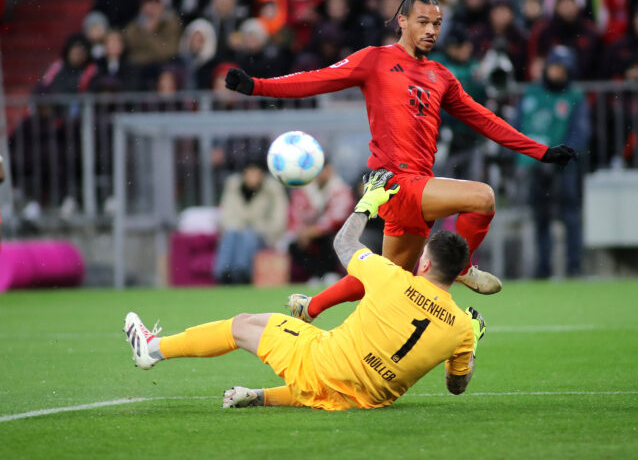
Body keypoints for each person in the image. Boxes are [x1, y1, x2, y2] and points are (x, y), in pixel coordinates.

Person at [223, 0, 576, 322]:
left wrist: (540, 151)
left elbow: (484, 119)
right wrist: (256, 85)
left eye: (436, 23)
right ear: (401, 21)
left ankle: (310, 307)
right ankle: (462, 265)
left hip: (419, 185)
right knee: (482, 197)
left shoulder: (441, 76)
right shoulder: (375, 60)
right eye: (422, 22)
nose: (431, 30)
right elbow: (317, 79)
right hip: (393, 182)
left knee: (388, 281)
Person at [123, 170, 486, 411]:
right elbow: (456, 387)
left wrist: (369, 203)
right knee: (334, 381)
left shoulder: (392, 276)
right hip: (364, 400)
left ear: (423, 263)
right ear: (456, 275)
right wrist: (471, 343)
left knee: (244, 325)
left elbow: (344, 244)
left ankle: (152, 349)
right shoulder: (460, 328)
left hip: (323, 365)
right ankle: (260, 397)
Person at [516, 47, 589, 278]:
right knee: (541, 217)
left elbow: (580, 134)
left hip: (564, 168)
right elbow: (515, 127)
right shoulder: (531, 94)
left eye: (562, 68)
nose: (557, 73)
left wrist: (559, 157)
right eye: (554, 67)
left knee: (570, 215)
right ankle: (543, 268)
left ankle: (574, 267)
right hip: (534, 166)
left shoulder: (575, 97)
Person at [214, 161, 288, 284]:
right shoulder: (233, 187)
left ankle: (242, 273)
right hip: (237, 232)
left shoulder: (272, 189)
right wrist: (238, 227)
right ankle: (223, 274)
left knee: (248, 235)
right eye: (249, 172)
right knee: (231, 234)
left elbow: (279, 220)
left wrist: (257, 229)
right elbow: (225, 215)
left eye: (256, 172)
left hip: (264, 235)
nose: (252, 176)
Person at [286, 161, 355, 283]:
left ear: (329, 170)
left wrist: (315, 230)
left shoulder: (340, 189)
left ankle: (331, 274)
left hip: (334, 234)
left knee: (329, 240)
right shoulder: (304, 190)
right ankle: (317, 275)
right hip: (311, 233)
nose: (319, 174)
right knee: (293, 244)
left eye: (322, 170)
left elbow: (337, 218)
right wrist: (302, 231)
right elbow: (296, 213)